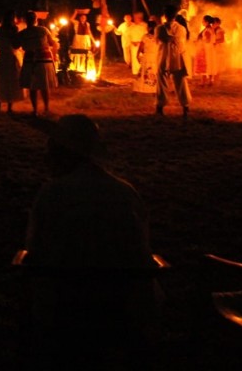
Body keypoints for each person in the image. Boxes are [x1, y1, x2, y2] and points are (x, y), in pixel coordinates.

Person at [23, 114, 161, 367]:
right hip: (120, 305)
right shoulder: (125, 193)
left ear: (59, 152)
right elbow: (141, 248)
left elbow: (36, 249)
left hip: (64, 308)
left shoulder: (51, 195)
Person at [17, 10, 58, 116]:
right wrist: (54, 53)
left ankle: (35, 110)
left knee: (33, 86)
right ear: (36, 19)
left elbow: (16, 45)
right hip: (43, 60)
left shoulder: (22, 33)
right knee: (44, 85)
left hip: (32, 60)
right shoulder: (43, 30)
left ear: (25, 20)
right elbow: (52, 43)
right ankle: (46, 108)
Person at [155, 5, 192, 116]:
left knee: (162, 83)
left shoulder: (159, 28)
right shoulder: (182, 28)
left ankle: (160, 106)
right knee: (181, 83)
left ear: (165, 16)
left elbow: (159, 41)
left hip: (164, 57)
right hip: (177, 59)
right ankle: (185, 106)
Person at [0, 10, 23, 113]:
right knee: (11, 81)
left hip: (2, 57)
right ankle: (9, 107)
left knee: (1, 80)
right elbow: (16, 44)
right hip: (10, 56)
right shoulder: (14, 29)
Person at [132, 20, 158, 94]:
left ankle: (139, 89)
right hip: (154, 57)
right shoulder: (157, 37)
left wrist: (137, 55)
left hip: (147, 56)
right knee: (153, 72)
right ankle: (153, 90)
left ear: (149, 28)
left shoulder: (145, 37)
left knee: (144, 72)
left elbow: (141, 48)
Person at [127, 11, 149, 77]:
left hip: (141, 45)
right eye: (134, 17)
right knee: (134, 59)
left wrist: (140, 42)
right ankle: (135, 73)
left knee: (140, 59)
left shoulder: (144, 25)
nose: (135, 19)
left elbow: (146, 35)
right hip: (133, 45)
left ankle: (142, 72)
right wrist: (131, 42)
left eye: (136, 17)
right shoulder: (132, 26)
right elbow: (129, 35)